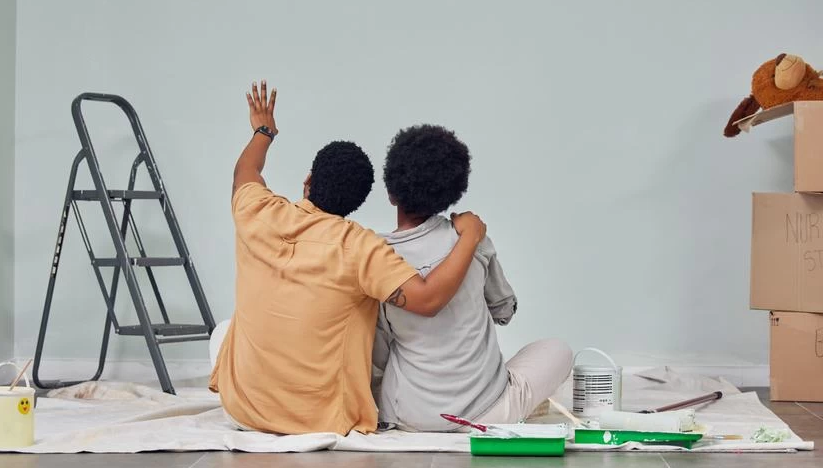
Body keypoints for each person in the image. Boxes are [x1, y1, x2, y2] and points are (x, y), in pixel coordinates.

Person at [209, 82, 489, 435]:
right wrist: (470, 236)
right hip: (318, 421)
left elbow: (244, 172)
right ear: (356, 203)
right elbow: (428, 298)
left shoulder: (258, 212)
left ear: (308, 180)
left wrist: (264, 131)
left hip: (241, 412)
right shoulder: (361, 247)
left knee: (223, 332)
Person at [373, 125, 573, 432]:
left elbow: (379, 350)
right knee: (559, 350)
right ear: (451, 193)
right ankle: (512, 405)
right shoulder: (471, 238)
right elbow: (503, 312)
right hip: (486, 412)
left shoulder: (375, 256)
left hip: (408, 416)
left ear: (391, 193)